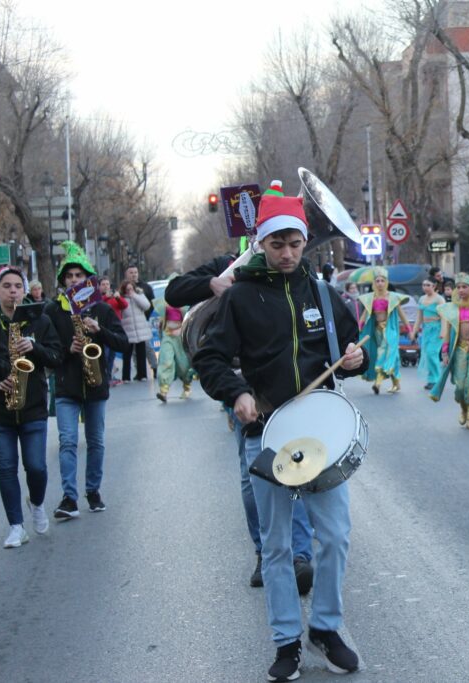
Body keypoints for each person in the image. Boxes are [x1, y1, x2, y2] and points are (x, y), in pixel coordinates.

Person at [192, 190, 367, 680]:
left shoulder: (322, 295)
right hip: (267, 432)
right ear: (261, 243)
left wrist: (356, 359)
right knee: (276, 547)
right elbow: (208, 358)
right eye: (276, 244)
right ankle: (287, 641)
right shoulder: (242, 297)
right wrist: (237, 392)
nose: (287, 253)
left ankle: (327, 630)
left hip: (323, 438)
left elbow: (354, 350)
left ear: (305, 241)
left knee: (334, 537)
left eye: (294, 243)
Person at [166, 244, 317, 593]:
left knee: (295, 467)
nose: (281, 248)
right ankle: (265, 552)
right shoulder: (227, 264)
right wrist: (213, 284)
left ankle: (298, 557)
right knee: (254, 475)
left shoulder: (296, 271)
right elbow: (175, 292)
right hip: (241, 382)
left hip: (288, 385)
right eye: (270, 238)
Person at [44, 241, 130, 519]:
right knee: (67, 441)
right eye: (69, 276)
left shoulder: (102, 310)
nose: (73, 280)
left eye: (78, 276)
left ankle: (93, 491)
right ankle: (69, 498)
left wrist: (99, 330)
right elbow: (48, 352)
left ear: (88, 279)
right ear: (62, 280)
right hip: (66, 385)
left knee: (96, 442)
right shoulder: (53, 311)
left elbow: (123, 343)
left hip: (95, 385)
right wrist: (66, 351)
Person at [0, 267, 61, 548]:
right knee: (6, 469)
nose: (13, 290)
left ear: (25, 290)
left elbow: (56, 356)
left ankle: (38, 504)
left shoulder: (39, 320)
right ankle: (16, 526)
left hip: (33, 407)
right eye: (7, 285)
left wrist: (34, 347)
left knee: (36, 467)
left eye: (18, 285)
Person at [430, 273, 469, 428]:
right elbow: (448, 334)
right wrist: (444, 352)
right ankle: (463, 409)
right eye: (458, 287)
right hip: (459, 351)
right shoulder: (452, 309)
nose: (461, 290)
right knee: (460, 386)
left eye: (464, 287)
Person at [358, 268, 410, 394]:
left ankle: (378, 383)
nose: (380, 283)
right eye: (377, 281)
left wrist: (409, 329)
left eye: (382, 280)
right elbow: (365, 314)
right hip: (377, 330)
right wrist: (359, 327)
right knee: (392, 357)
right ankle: (396, 383)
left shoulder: (392, 297)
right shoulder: (371, 298)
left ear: (386, 282)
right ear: (374, 283)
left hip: (390, 330)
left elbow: (401, 314)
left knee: (383, 353)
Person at [155, 274, 196, 402]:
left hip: (181, 336)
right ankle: (164, 391)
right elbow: (163, 318)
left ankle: (187, 387)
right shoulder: (165, 302)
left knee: (183, 365)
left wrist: (181, 329)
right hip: (168, 335)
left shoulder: (185, 302)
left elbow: (191, 320)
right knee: (166, 360)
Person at [410, 279, 444, 391]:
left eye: (428, 285)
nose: (425, 287)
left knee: (432, 353)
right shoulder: (421, 299)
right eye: (423, 285)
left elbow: (444, 317)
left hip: (437, 329)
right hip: (426, 330)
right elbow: (419, 318)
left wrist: (443, 331)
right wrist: (413, 331)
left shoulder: (439, 299)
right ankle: (431, 379)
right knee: (426, 353)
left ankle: (437, 379)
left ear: (434, 286)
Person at [125, 264, 157, 379]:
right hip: (130, 324)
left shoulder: (146, 287)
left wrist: (146, 316)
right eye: (131, 272)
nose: (133, 275)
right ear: (126, 274)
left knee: (147, 347)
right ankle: (139, 371)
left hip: (143, 321)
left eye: (135, 272)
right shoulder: (124, 287)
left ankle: (155, 367)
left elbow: (152, 304)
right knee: (134, 350)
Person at [118, 280, 151, 382]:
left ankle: (142, 375)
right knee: (127, 354)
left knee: (141, 353)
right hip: (128, 329)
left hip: (140, 329)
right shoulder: (121, 298)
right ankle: (126, 377)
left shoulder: (139, 295)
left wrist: (135, 296)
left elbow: (146, 306)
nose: (129, 291)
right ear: (124, 290)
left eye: (131, 288)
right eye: (127, 289)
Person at [99, 277, 127, 382]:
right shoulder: (98, 298)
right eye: (103, 284)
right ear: (99, 286)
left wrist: (118, 298)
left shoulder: (114, 296)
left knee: (112, 355)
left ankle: (109, 376)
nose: (106, 286)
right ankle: (104, 377)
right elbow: (97, 304)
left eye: (107, 284)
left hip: (115, 328)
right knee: (105, 355)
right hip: (104, 328)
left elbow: (124, 305)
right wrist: (105, 297)